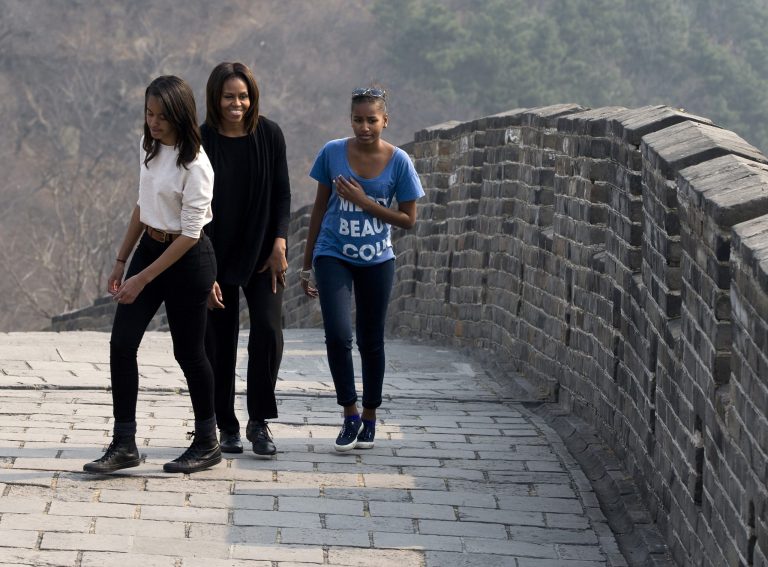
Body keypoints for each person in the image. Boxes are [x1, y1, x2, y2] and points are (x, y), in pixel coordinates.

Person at [84, 75, 221, 474]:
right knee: (122, 344)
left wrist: (142, 279)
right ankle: (124, 443)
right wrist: (121, 261)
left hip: (188, 259)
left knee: (189, 352)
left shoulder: (196, 164)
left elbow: (192, 234)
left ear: (180, 114)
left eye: (161, 115)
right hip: (150, 246)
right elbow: (142, 205)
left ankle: (207, 442)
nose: (153, 122)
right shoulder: (148, 146)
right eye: (148, 113)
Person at [300, 86, 424, 452]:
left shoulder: (399, 161)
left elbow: (408, 220)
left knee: (371, 340)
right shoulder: (332, 153)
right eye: (358, 119)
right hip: (332, 252)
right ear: (349, 119)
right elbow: (319, 210)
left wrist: (364, 201)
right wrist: (306, 266)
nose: (364, 126)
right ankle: (349, 412)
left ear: (385, 120)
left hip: (377, 258)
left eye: (372, 120)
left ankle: (370, 414)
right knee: (338, 335)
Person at [201, 62, 291, 456]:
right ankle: (227, 425)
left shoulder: (269, 134)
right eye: (228, 96)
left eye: (243, 95)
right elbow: (191, 204)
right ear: (215, 99)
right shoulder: (200, 140)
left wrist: (280, 243)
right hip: (214, 253)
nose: (237, 103)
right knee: (218, 343)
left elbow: (283, 194)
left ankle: (259, 421)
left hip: (262, 251)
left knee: (269, 332)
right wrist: (202, 266)